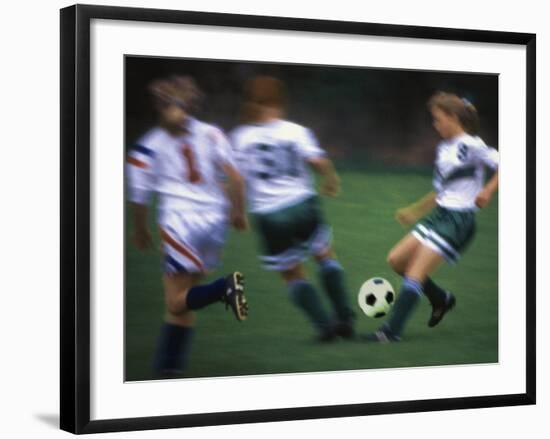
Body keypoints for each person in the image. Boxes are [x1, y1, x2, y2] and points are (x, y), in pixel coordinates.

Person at [127, 75, 249, 377]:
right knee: (182, 302)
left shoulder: (147, 147)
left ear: (159, 106)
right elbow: (235, 178)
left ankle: (224, 288)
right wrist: (237, 213)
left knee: (175, 300)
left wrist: (139, 229)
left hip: (180, 222)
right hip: (214, 221)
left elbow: (139, 197)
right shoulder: (212, 133)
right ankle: (170, 368)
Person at [363, 91, 499, 342]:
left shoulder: (472, 145)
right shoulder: (442, 149)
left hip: (459, 221)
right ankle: (440, 299)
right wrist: (414, 210)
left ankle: (390, 332)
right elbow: (441, 191)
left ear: (452, 117)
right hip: (440, 215)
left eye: (438, 119)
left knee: (415, 272)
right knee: (397, 261)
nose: (435, 125)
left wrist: (488, 191)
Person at [230, 75, 355, 342]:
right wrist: (331, 178)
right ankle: (344, 317)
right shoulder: (295, 130)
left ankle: (324, 326)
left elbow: (237, 180)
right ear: (280, 102)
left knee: (292, 273)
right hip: (302, 204)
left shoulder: (240, 138)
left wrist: (238, 212)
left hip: (269, 214)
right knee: (325, 256)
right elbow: (317, 161)